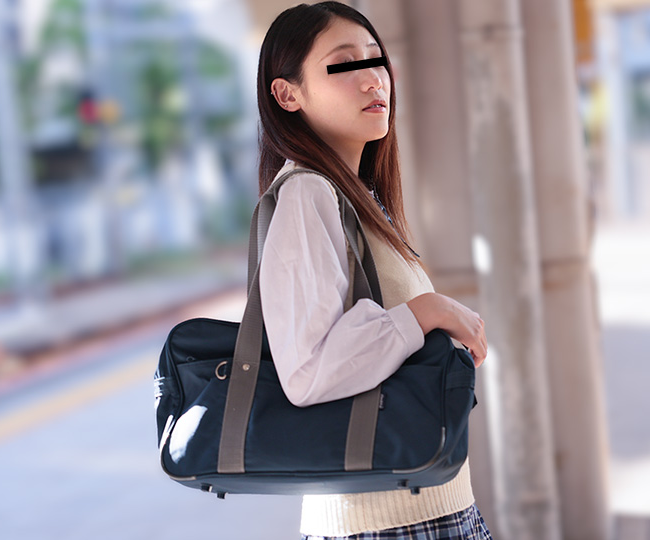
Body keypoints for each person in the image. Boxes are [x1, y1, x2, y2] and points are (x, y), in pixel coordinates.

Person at [256, 3, 491, 539]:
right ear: (288, 94)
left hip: (430, 507)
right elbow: (308, 372)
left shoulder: (355, 197)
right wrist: (426, 311)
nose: (371, 80)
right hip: (381, 526)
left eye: (377, 62)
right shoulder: (307, 194)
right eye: (343, 66)